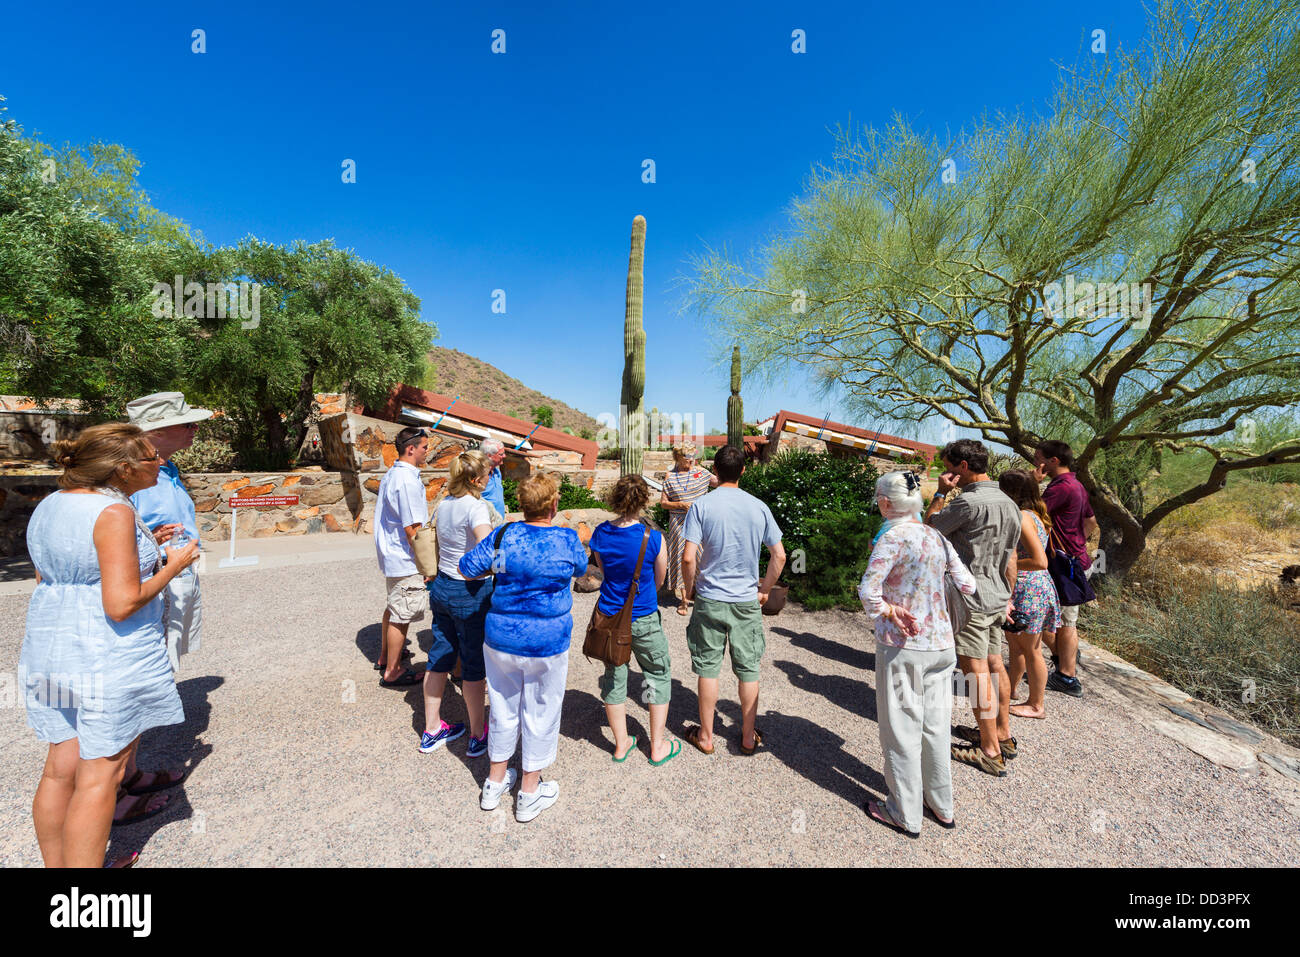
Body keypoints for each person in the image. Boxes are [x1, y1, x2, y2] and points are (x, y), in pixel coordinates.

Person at [20, 424, 200, 867]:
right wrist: (172, 565)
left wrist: (146, 548)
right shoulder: (114, 512)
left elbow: (54, 575)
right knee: (101, 774)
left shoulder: (50, 504)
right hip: (104, 656)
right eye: (149, 457)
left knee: (60, 768)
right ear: (123, 469)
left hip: (50, 650)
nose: (159, 462)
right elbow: (121, 604)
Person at [460, 472, 587, 822]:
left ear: (522, 504)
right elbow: (581, 569)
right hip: (547, 641)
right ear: (554, 504)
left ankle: (494, 783)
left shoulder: (504, 535)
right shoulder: (566, 538)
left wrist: (503, 569)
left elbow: (468, 567)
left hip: (501, 637)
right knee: (541, 711)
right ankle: (529, 792)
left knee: (502, 707)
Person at [859, 470, 976, 836]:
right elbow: (968, 585)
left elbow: (868, 592)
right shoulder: (936, 536)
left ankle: (904, 812)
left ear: (884, 503)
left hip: (904, 646)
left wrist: (893, 610)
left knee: (901, 730)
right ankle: (941, 805)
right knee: (936, 727)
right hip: (942, 646)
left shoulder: (893, 538)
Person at [924, 439, 1021, 777]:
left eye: (949, 467)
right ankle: (1001, 734)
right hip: (997, 596)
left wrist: (939, 494)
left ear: (963, 467)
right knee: (995, 665)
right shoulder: (1009, 502)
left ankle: (989, 751)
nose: (947, 472)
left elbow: (929, 530)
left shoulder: (967, 502)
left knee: (975, 673)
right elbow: (1011, 556)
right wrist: (1008, 595)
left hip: (972, 600)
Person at [680, 445, 785, 756]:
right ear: (743, 470)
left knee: (708, 669)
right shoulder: (759, 507)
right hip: (745, 600)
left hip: (710, 598)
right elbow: (779, 555)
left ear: (715, 470)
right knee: (748, 669)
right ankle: (748, 736)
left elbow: (688, 559)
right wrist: (765, 588)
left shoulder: (702, 506)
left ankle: (706, 736)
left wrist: (689, 590)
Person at [588, 475, 678, 765]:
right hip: (644, 617)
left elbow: (602, 569)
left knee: (614, 676)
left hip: (610, 616)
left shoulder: (600, 533)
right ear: (644, 501)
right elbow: (662, 578)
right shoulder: (653, 538)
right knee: (656, 675)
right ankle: (657, 745)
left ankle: (621, 744)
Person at [420, 450, 493, 754]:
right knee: (474, 664)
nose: (489, 478)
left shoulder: (444, 504)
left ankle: (432, 727)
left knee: (440, 655)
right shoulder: (475, 508)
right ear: (476, 479)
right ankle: (477, 734)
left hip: (442, 587)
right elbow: (487, 551)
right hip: (469, 592)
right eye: (487, 474)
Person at [1033, 440, 1097, 698]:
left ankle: (1067, 677)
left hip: (1067, 566)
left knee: (1066, 621)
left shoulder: (1062, 487)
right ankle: (1063, 658)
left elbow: (1033, 513)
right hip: (1073, 560)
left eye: (1039, 458)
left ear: (1053, 461)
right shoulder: (1077, 485)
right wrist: (1078, 542)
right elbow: (1090, 521)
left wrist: (1032, 484)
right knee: (1052, 617)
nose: (1036, 462)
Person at [997, 469, 1059, 720]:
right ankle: (1011, 691)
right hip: (1034, 587)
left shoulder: (1022, 517)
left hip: (1028, 588)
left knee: (1031, 649)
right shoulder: (1036, 514)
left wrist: (1006, 565)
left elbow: (1040, 560)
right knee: (1017, 645)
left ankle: (1036, 704)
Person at [374, 427, 430, 688]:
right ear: (411, 449)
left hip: (393, 555)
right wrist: (427, 564)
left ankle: (387, 657)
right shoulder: (406, 480)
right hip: (405, 558)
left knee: (393, 606)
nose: (427, 452)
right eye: (424, 447)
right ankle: (393, 671)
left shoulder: (393, 474)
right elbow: (413, 529)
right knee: (402, 614)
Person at [659, 443, 717, 608]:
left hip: (700, 522)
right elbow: (664, 503)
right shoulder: (669, 476)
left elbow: (723, 483)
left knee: (703, 556)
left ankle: (703, 595)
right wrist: (681, 505)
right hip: (678, 523)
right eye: (687, 457)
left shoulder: (701, 472)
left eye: (693, 456)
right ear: (677, 457)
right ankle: (684, 599)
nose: (691, 460)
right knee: (681, 557)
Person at [479, 438, 508, 521]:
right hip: (485, 523)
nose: (504, 456)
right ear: (489, 456)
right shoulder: (478, 476)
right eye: (501, 454)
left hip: (498, 523)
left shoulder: (497, 472)